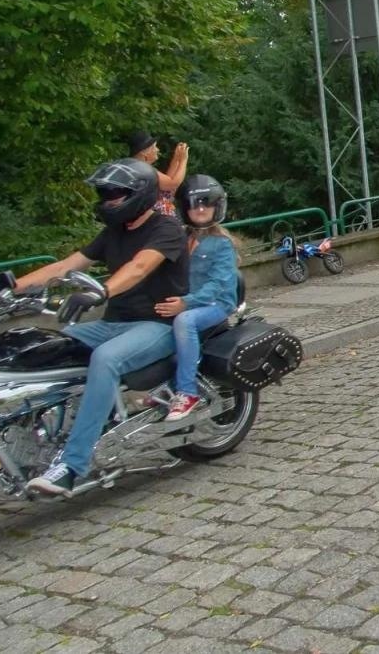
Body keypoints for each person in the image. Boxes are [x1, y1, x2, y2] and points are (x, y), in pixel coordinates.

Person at [20, 159, 189, 496]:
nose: (110, 198)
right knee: (48, 346)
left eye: (117, 193)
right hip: (114, 323)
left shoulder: (166, 228)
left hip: (158, 324)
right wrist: (7, 287)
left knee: (106, 359)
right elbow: (67, 265)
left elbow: (140, 267)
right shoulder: (113, 232)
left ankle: (71, 466)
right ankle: (46, 432)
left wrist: (101, 291)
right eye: (105, 193)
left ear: (139, 195)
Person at [154, 175, 240, 421]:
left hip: (217, 304)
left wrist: (186, 303)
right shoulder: (180, 238)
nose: (200, 208)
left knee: (184, 322)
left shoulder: (221, 243)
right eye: (194, 204)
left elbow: (218, 284)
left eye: (206, 203)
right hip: (188, 301)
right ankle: (164, 385)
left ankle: (186, 391)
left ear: (217, 206)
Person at [128, 130, 186, 216]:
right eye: (154, 147)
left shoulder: (139, 167)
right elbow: (172, 184)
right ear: (145, 152)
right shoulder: (143, 170)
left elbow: (167, 184)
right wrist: (183, 160)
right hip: (155, 220)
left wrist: (176, 158)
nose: (157, 149)